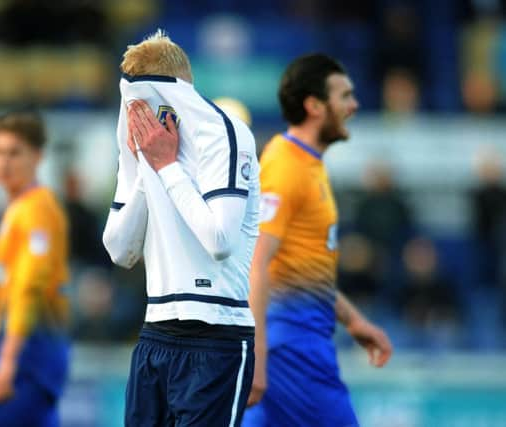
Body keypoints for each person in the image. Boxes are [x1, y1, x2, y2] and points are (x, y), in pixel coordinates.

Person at [103, 30, 259, 427]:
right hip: (156, 331)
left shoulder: (226, 134)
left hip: (216, 334)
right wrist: (146, 167)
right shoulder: (144, 146)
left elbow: (220, 240)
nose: (138, 114)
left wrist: (168, 166)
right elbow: (120, 251)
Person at [242, 54, 393, 427]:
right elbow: (257, 259)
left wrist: (354, 320)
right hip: (293, 351)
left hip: (294, 344)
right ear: (314, 105)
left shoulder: (307, 164)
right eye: (344, 96)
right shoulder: (287, 167)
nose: (354, 106)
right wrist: (258, 353)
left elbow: (303, 267)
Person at [0, 111, 71, 427]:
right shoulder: (18, 210)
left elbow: (28, 290)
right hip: (23, 350)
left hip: (32, 352)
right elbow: (4, 302)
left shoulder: (38, 209)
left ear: (37, 156)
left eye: (13, 153)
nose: (3, 163)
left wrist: (6, 361)